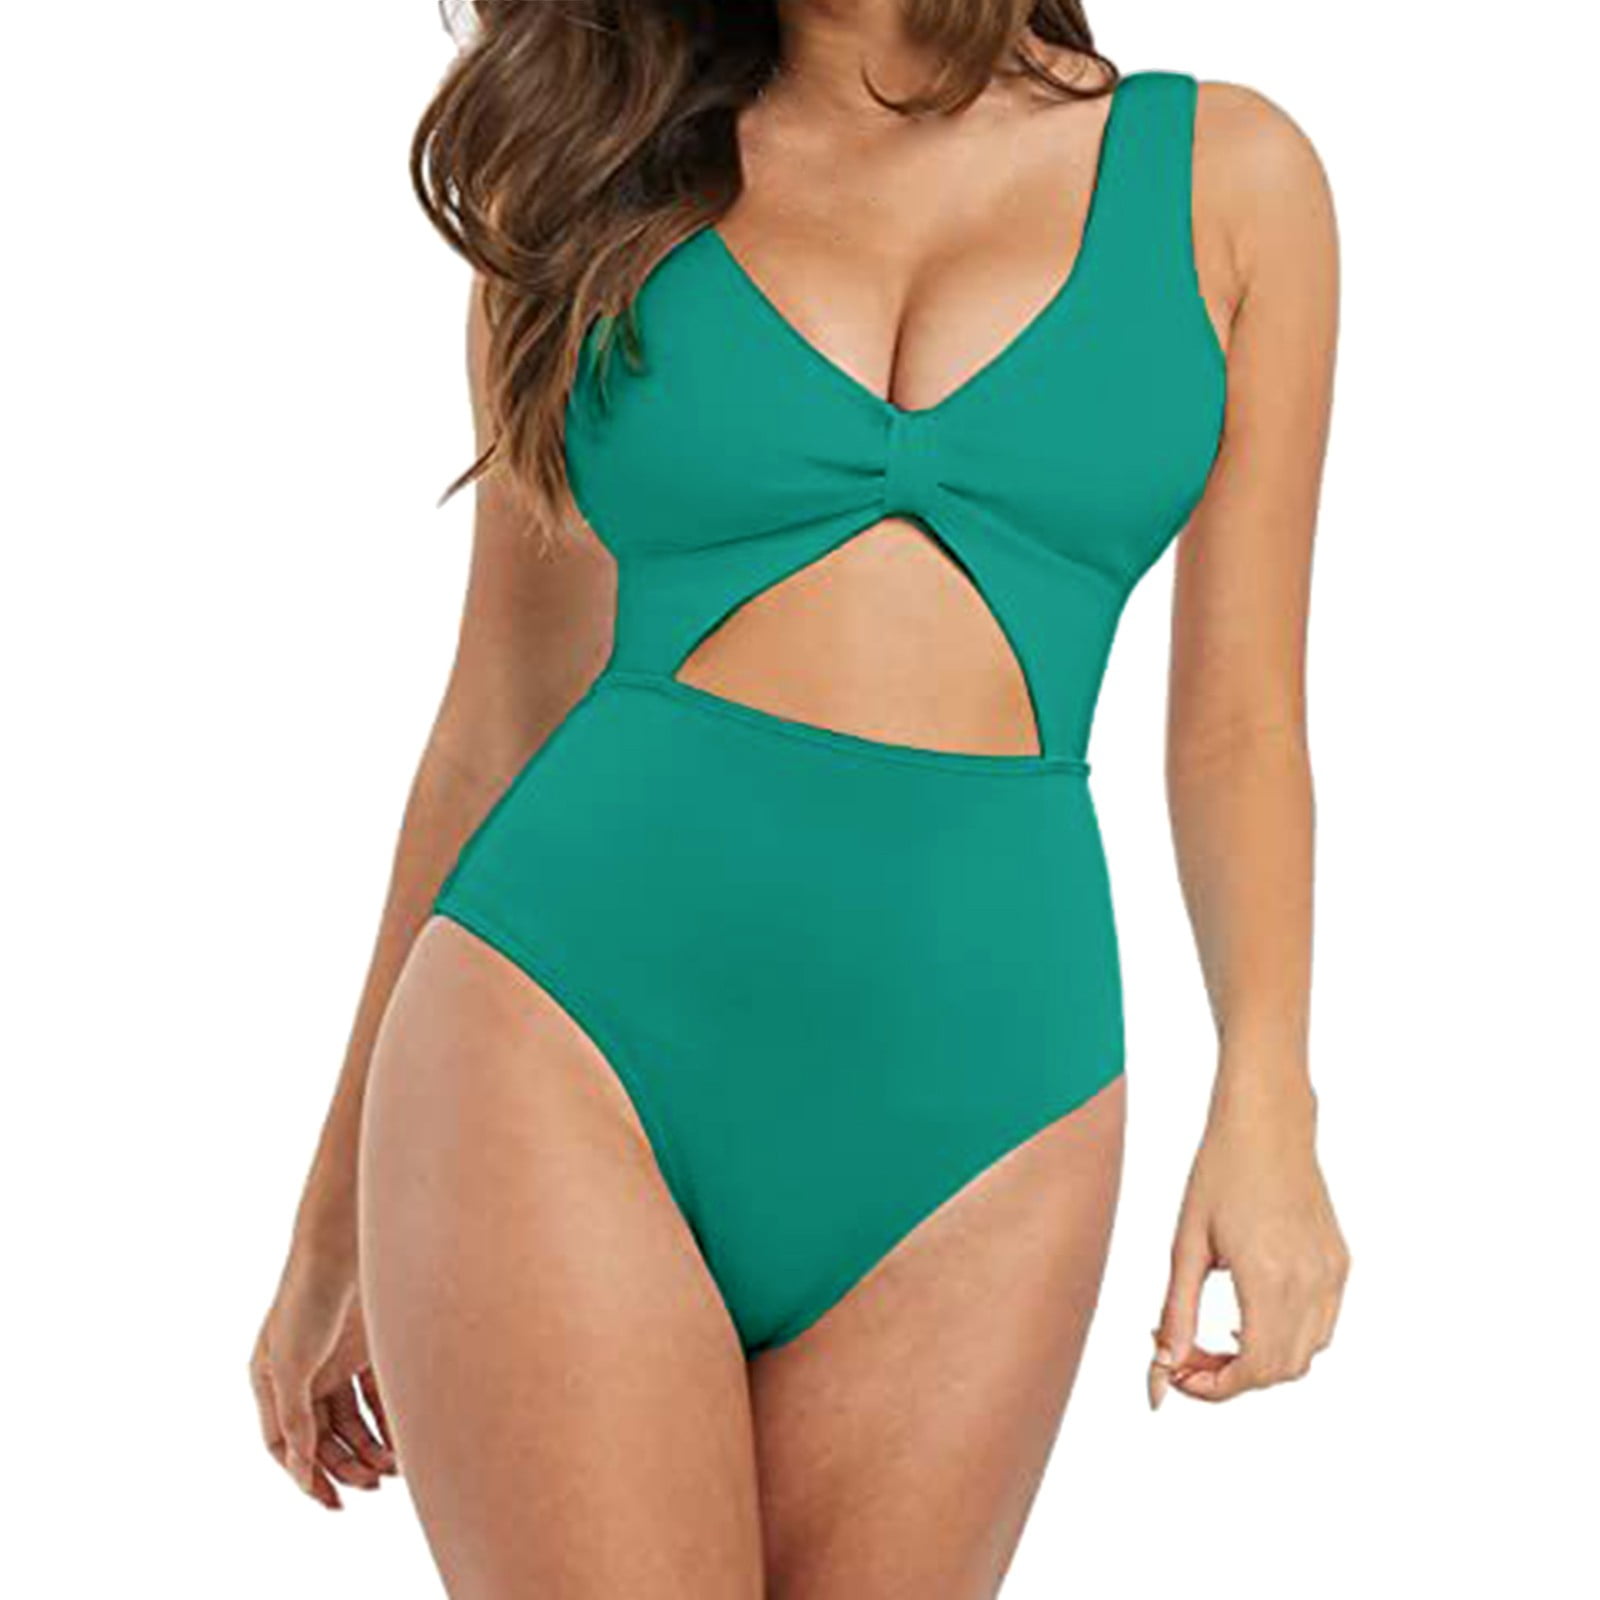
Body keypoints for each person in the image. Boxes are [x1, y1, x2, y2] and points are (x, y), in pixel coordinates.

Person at [251, 3, 1350, 1594]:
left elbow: (1244, 721)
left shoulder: (1230, 178)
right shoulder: (593, 179)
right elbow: (499, 718)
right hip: (562, 1035)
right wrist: (329, 1222)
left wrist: (1268, 1101)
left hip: (993, 1108)